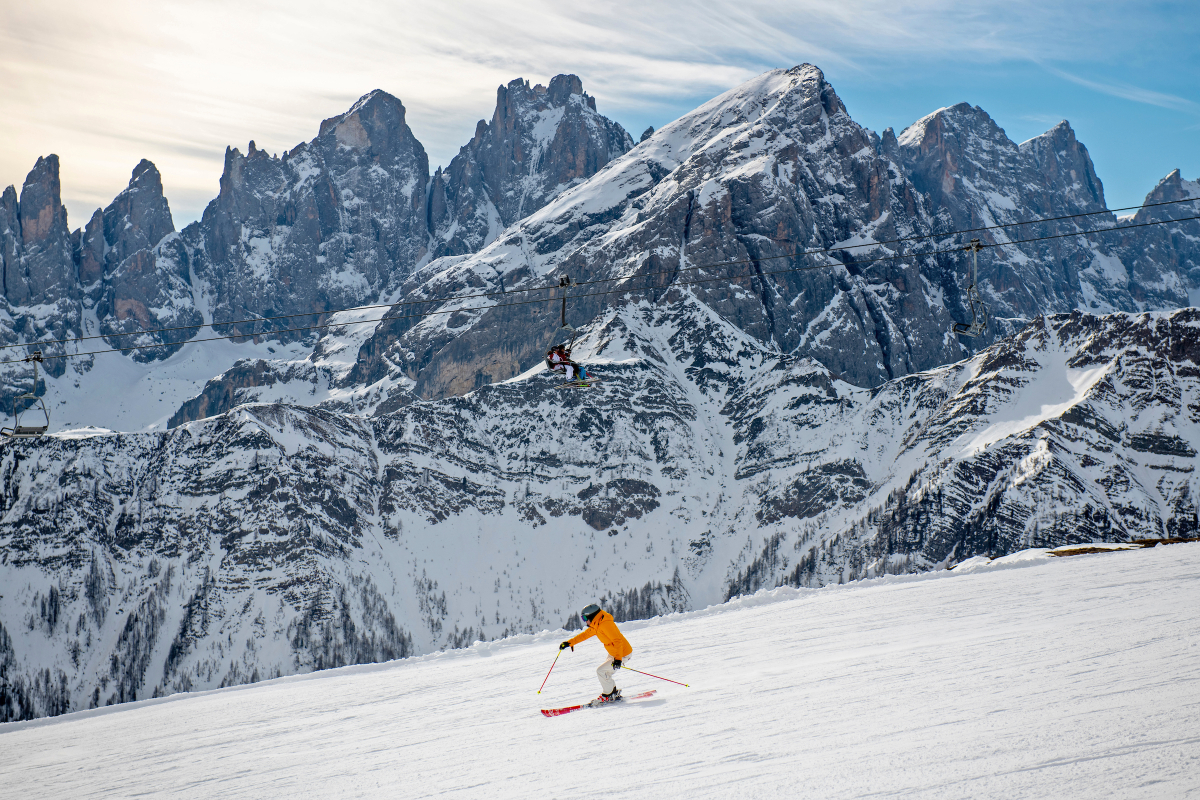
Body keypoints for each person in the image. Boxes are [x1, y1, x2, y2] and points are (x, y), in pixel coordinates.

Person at [559, 603, 631, 702]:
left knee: (601, 671)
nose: (585, 621)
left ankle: (608, 694)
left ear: (592, 616)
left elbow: (617, 641)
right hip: (614, 652)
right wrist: (569, 643)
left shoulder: (605, 624)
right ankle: (612, 692)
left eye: (585, 618)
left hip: (622, 653)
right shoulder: (597, 624)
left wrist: (618, 659)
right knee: (605, 672)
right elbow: (585, 635)